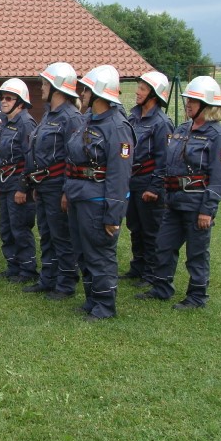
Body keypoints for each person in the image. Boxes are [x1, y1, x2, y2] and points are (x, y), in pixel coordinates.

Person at [136, 75, 221, 309]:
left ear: (207, 106)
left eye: (193, 100)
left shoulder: (218, 136)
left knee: (197, 252)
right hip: (174, 201)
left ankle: (197, 296)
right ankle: (161, 287)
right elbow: (167, 163)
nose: (187, 103)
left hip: (197, 203)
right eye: (187, 99)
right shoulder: (181, 129)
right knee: (163, 244)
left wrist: (207, 210)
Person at [63, 65, 133, 321]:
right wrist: (66, 191)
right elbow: (73, 159)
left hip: (98, 200)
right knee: (82, 251)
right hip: (78, 195)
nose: (82, 93)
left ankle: (104, 305)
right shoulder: (87, 120)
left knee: (99, 253)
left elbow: (120, 174)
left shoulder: (117, 127)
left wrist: (113, 215)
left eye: (87, 89)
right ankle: (92, 299)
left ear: (99, 94)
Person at [23, 62, 82, 298]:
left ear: (58, 87)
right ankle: (48, 278)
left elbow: (74, 157)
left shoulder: (72, 118)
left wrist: (67, 190)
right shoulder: (49, 114)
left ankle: (66, 283)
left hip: (59, 186)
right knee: (46, 233)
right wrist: (37, 183)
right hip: (45, 185)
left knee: (61, 235)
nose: (41, 87)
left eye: (46, 83)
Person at [122, 72, 173, 288]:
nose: (137, 92)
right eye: (139, 87)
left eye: (142, 88)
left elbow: (165, 159)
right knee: (135, 226)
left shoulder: (162, 123)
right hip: (132, 180)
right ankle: (138, 267)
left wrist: (155, 186)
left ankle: (151, 273)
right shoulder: (132, 117)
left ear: (153, 94)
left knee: (151, 229)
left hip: (148, 182)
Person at [0, 79, 38, 283]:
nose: (3, 101)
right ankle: (13, 266)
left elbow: (30, 158)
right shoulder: (6, 123)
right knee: (6, 227)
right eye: (2, 97)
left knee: (20, 227)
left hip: (17, 183)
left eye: (9, 98)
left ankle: (27, 269)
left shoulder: (26, 123)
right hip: (4, 183)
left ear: (20, 102)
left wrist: (23, 187)